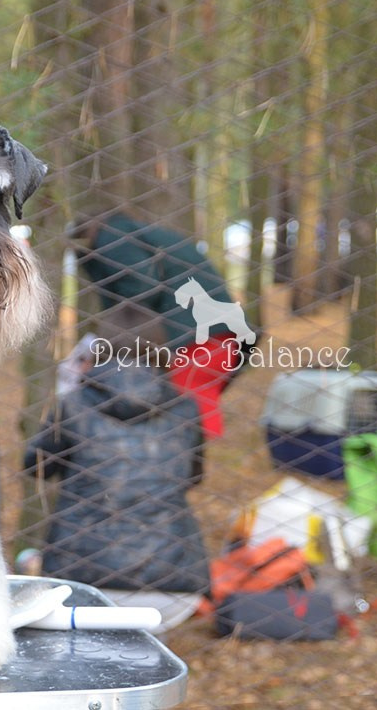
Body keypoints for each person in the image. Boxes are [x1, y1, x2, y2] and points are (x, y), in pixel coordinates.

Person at [25, 313, 210, 630]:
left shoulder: (73, 405)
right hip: (171, 576)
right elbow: (192, 476)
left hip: (82, 575)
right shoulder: (186, 408)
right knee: (151, 652)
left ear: (99, 350)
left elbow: (35, 465)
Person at [70, 210, 249, 438]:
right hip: (218, 335)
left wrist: (115, 333)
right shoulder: (135, 232)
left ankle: (195, 463)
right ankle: (200, 464)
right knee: (198, 403)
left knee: (187, 408)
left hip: (195, 339)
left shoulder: (112, 236)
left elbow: (141, 284)